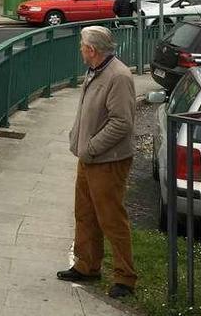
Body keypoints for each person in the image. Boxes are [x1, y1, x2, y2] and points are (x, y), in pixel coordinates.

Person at [57, 26, 137, 299]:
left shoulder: (118, 76)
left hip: (107, 160)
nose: (80, 50)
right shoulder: (96, 71)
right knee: (85, 213)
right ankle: (87, 265)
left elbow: (121, 122)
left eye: (82, 46)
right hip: (89, 157)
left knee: (111, 218)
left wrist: (91, 147)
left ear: (92, 50)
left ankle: (125, 277)